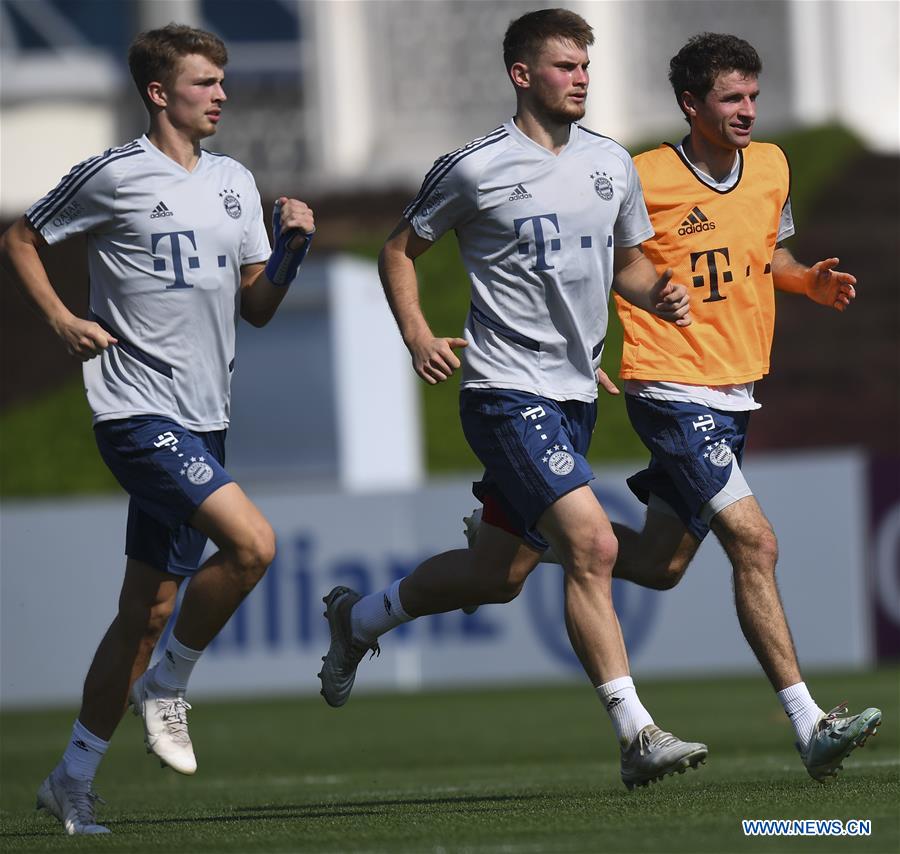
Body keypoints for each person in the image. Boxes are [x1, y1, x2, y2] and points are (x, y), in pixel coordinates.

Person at [466, 32, 882, 783]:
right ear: (691, 105)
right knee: (756, 543)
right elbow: (589, 261)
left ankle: (545, 537)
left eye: (753, 96)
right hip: (669, 387)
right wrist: (580, 343)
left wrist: (805, 282)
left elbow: (769, 254)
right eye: (731, 98)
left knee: (661, 564)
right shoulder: (640, 174)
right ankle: (809, 723)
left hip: (735, 392)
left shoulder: (773, 166)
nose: (748, 110)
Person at [319, 8, 708, 792]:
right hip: (503, 390)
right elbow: (399, 250)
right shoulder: (474, 167)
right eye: (566, 66)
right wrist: (419, 333)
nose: (582, 79)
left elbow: (625, 264)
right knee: (593, 545)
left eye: (586, 67)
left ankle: (357, 619)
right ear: (522, 75)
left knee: (499, 574)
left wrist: (657, 294)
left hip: (573, 395)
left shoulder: (611, 164)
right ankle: (637, 734)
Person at [0, 24, 315, 835]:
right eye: (204, 82)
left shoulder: (235, 181)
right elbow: (21, 237)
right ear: (158, 92)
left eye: (221, 80)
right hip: (136, 410)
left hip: (206, 416)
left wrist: (291, 250)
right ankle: (169, 684)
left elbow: (259, 305)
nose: (220, 94)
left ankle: (71, 778)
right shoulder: (115, 173)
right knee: (253, 545)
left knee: (146, 608)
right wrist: (63, 318)